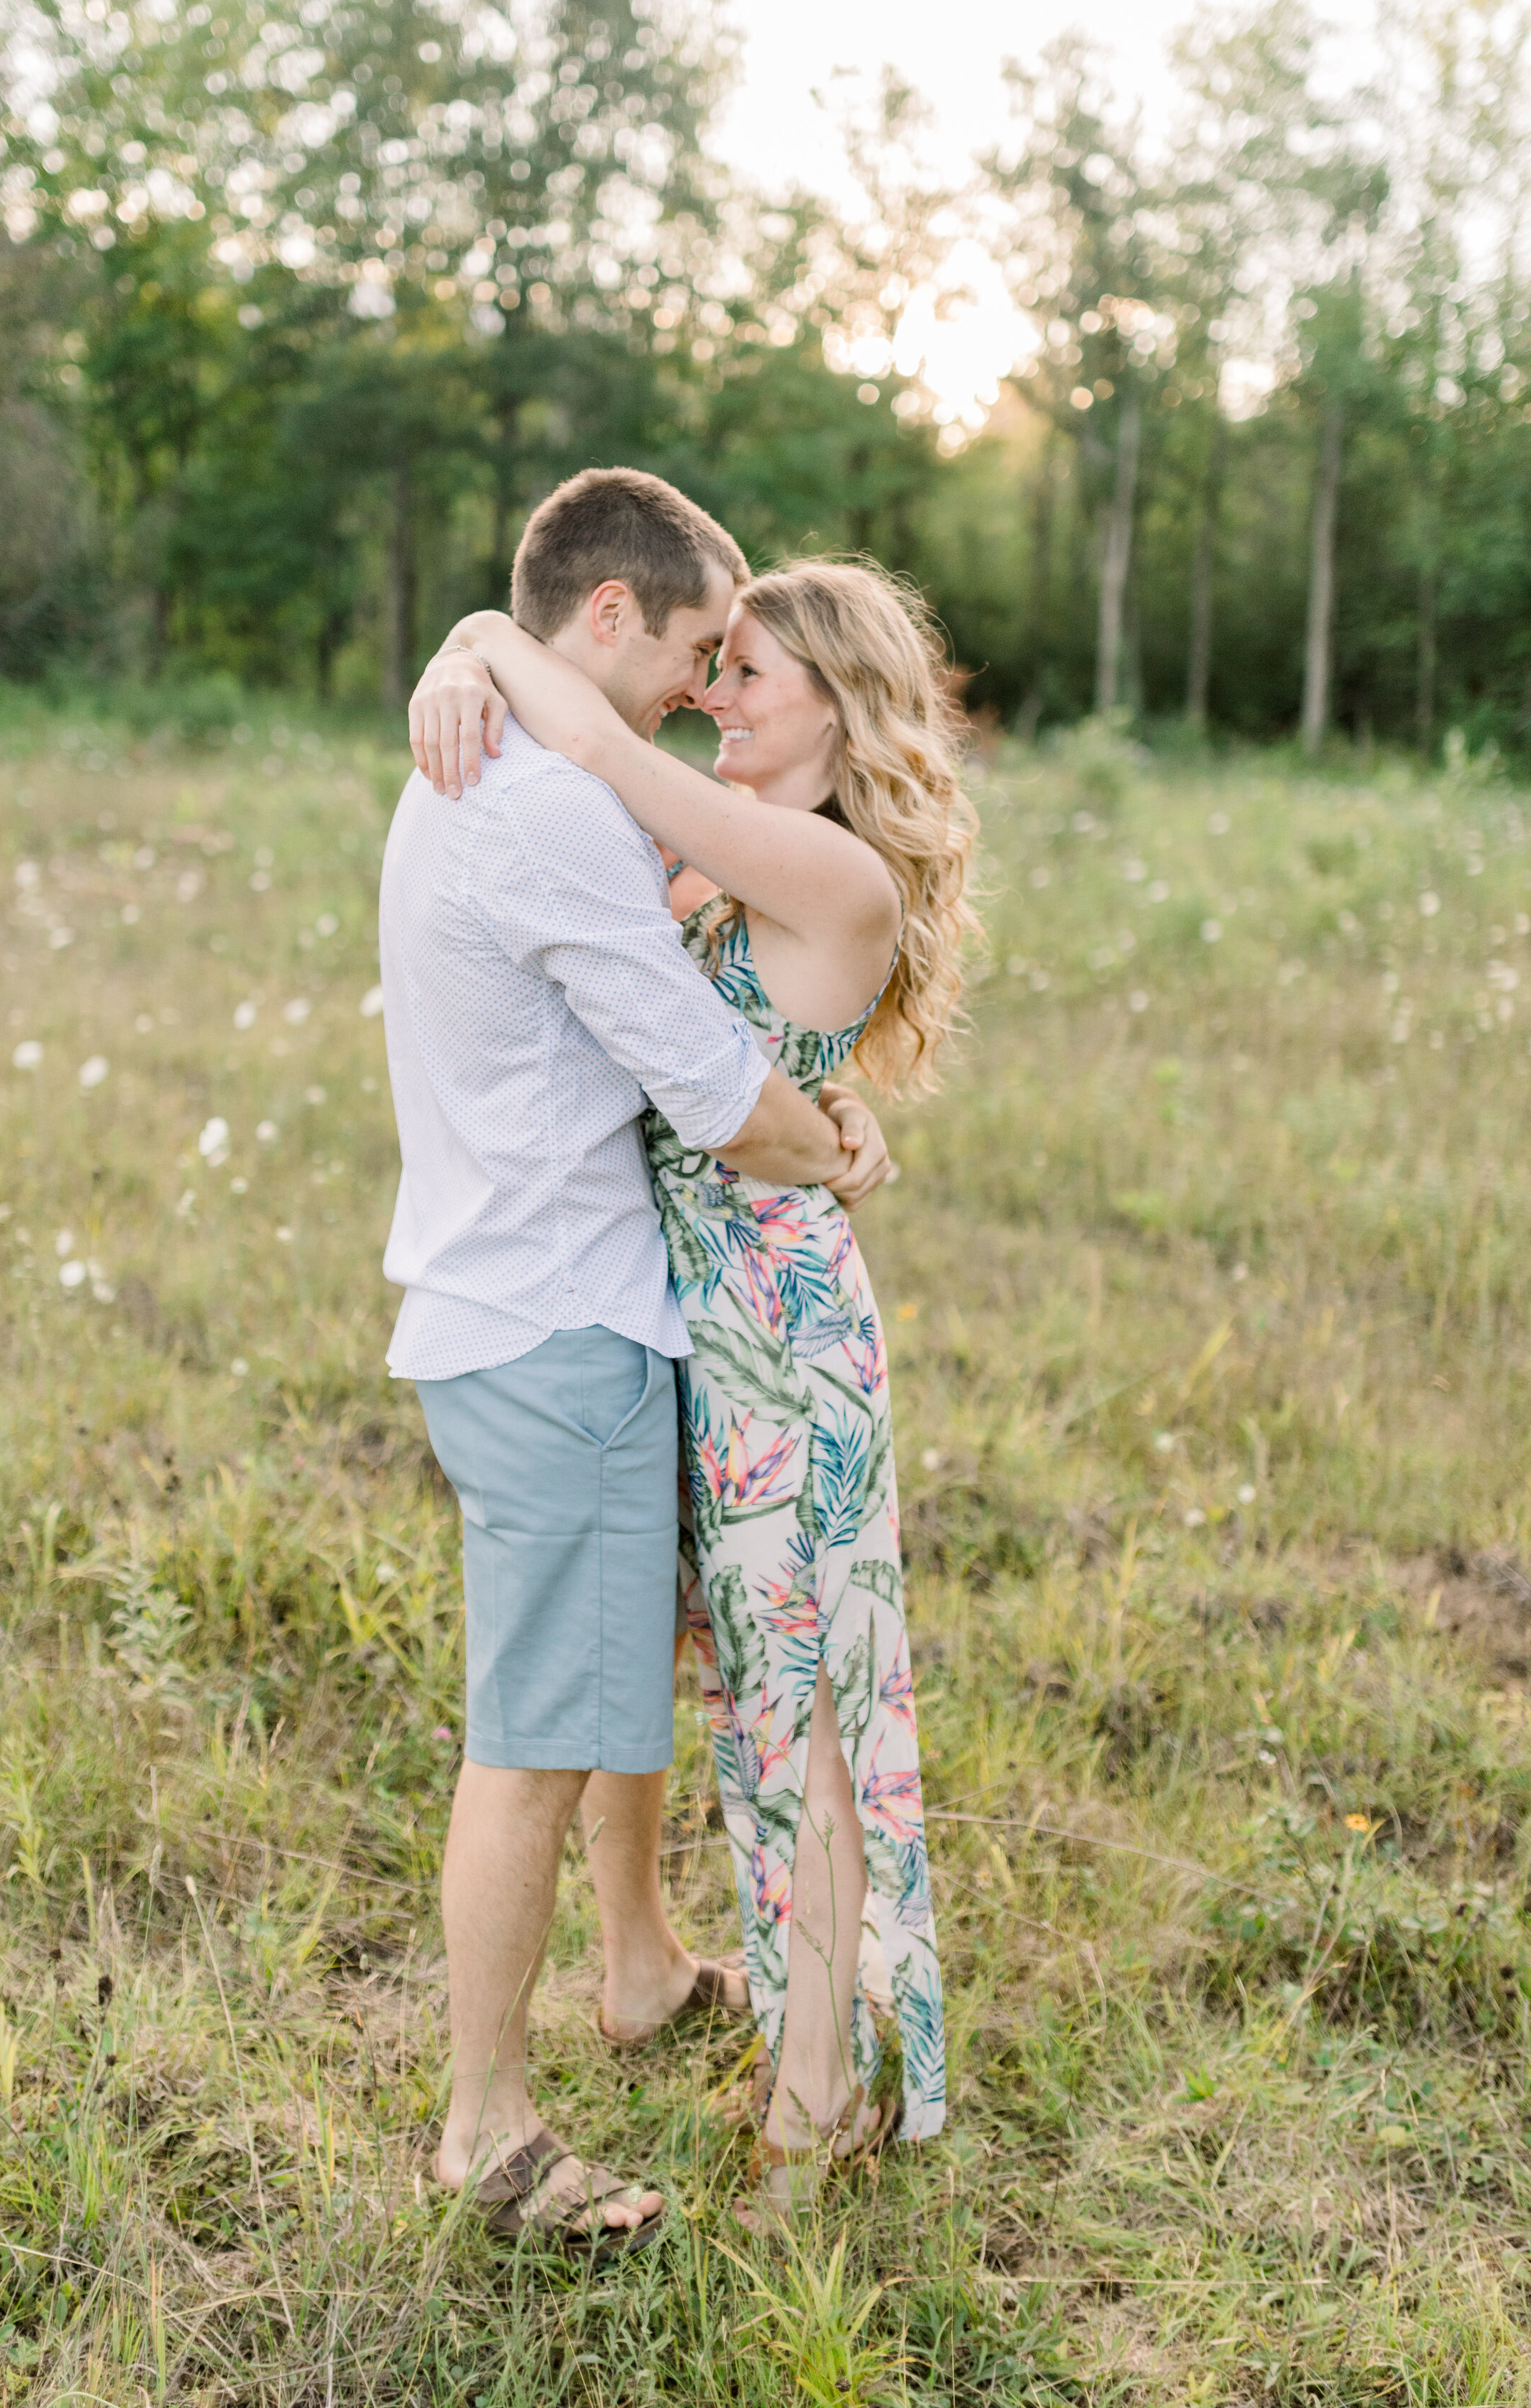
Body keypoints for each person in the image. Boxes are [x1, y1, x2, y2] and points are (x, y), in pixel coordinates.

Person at [410, 552, 978, 2226]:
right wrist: (469, 640)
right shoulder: (724, 866)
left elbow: (593, 746)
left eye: (744, 674)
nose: (708, 695)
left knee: (801, 1722)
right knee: (722, 1685)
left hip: (778, 1349)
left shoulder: (821, 868)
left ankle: (815, 2117)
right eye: (708, 665)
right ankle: (662, 1976)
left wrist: (481, 649)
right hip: (694, 1317)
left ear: (835, 702)